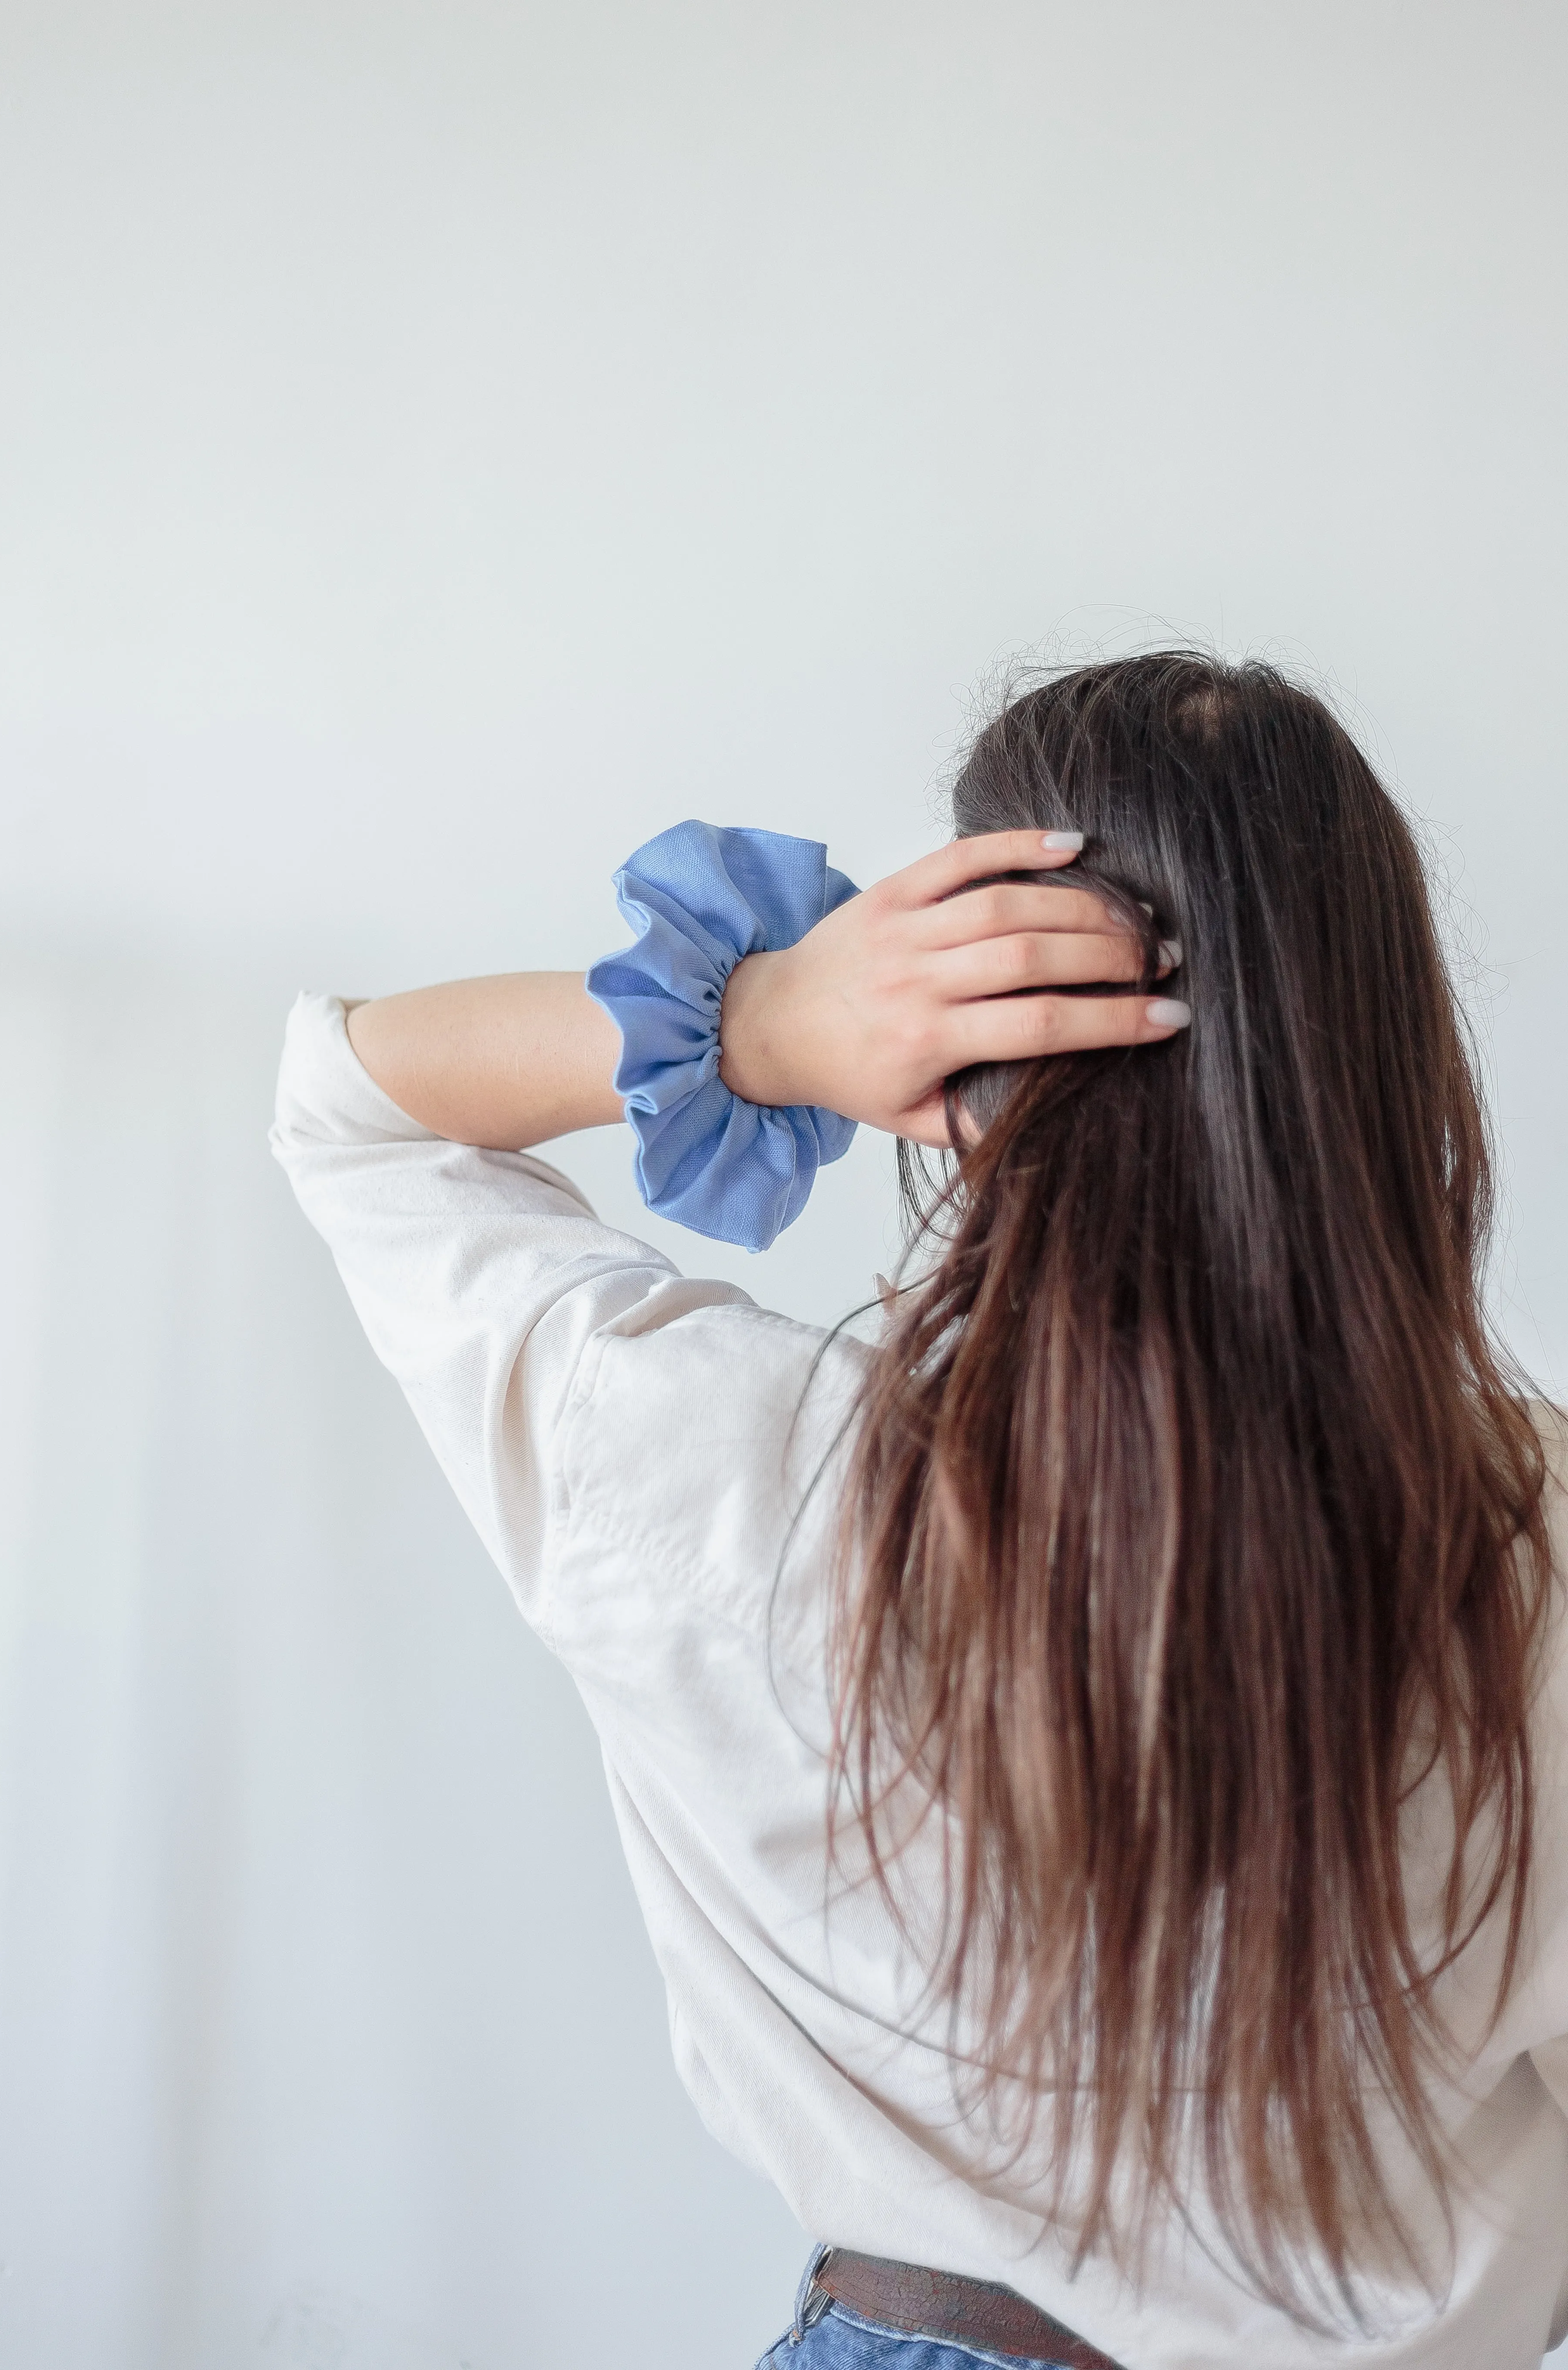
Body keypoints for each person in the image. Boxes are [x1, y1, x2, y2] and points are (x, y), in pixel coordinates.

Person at [271, 653, 1568, 2370]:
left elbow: (355, 1110)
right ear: (1384, 1055)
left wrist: (761, 1022)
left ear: (954, 1067)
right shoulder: (1529, 1534)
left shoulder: (730, 1470)